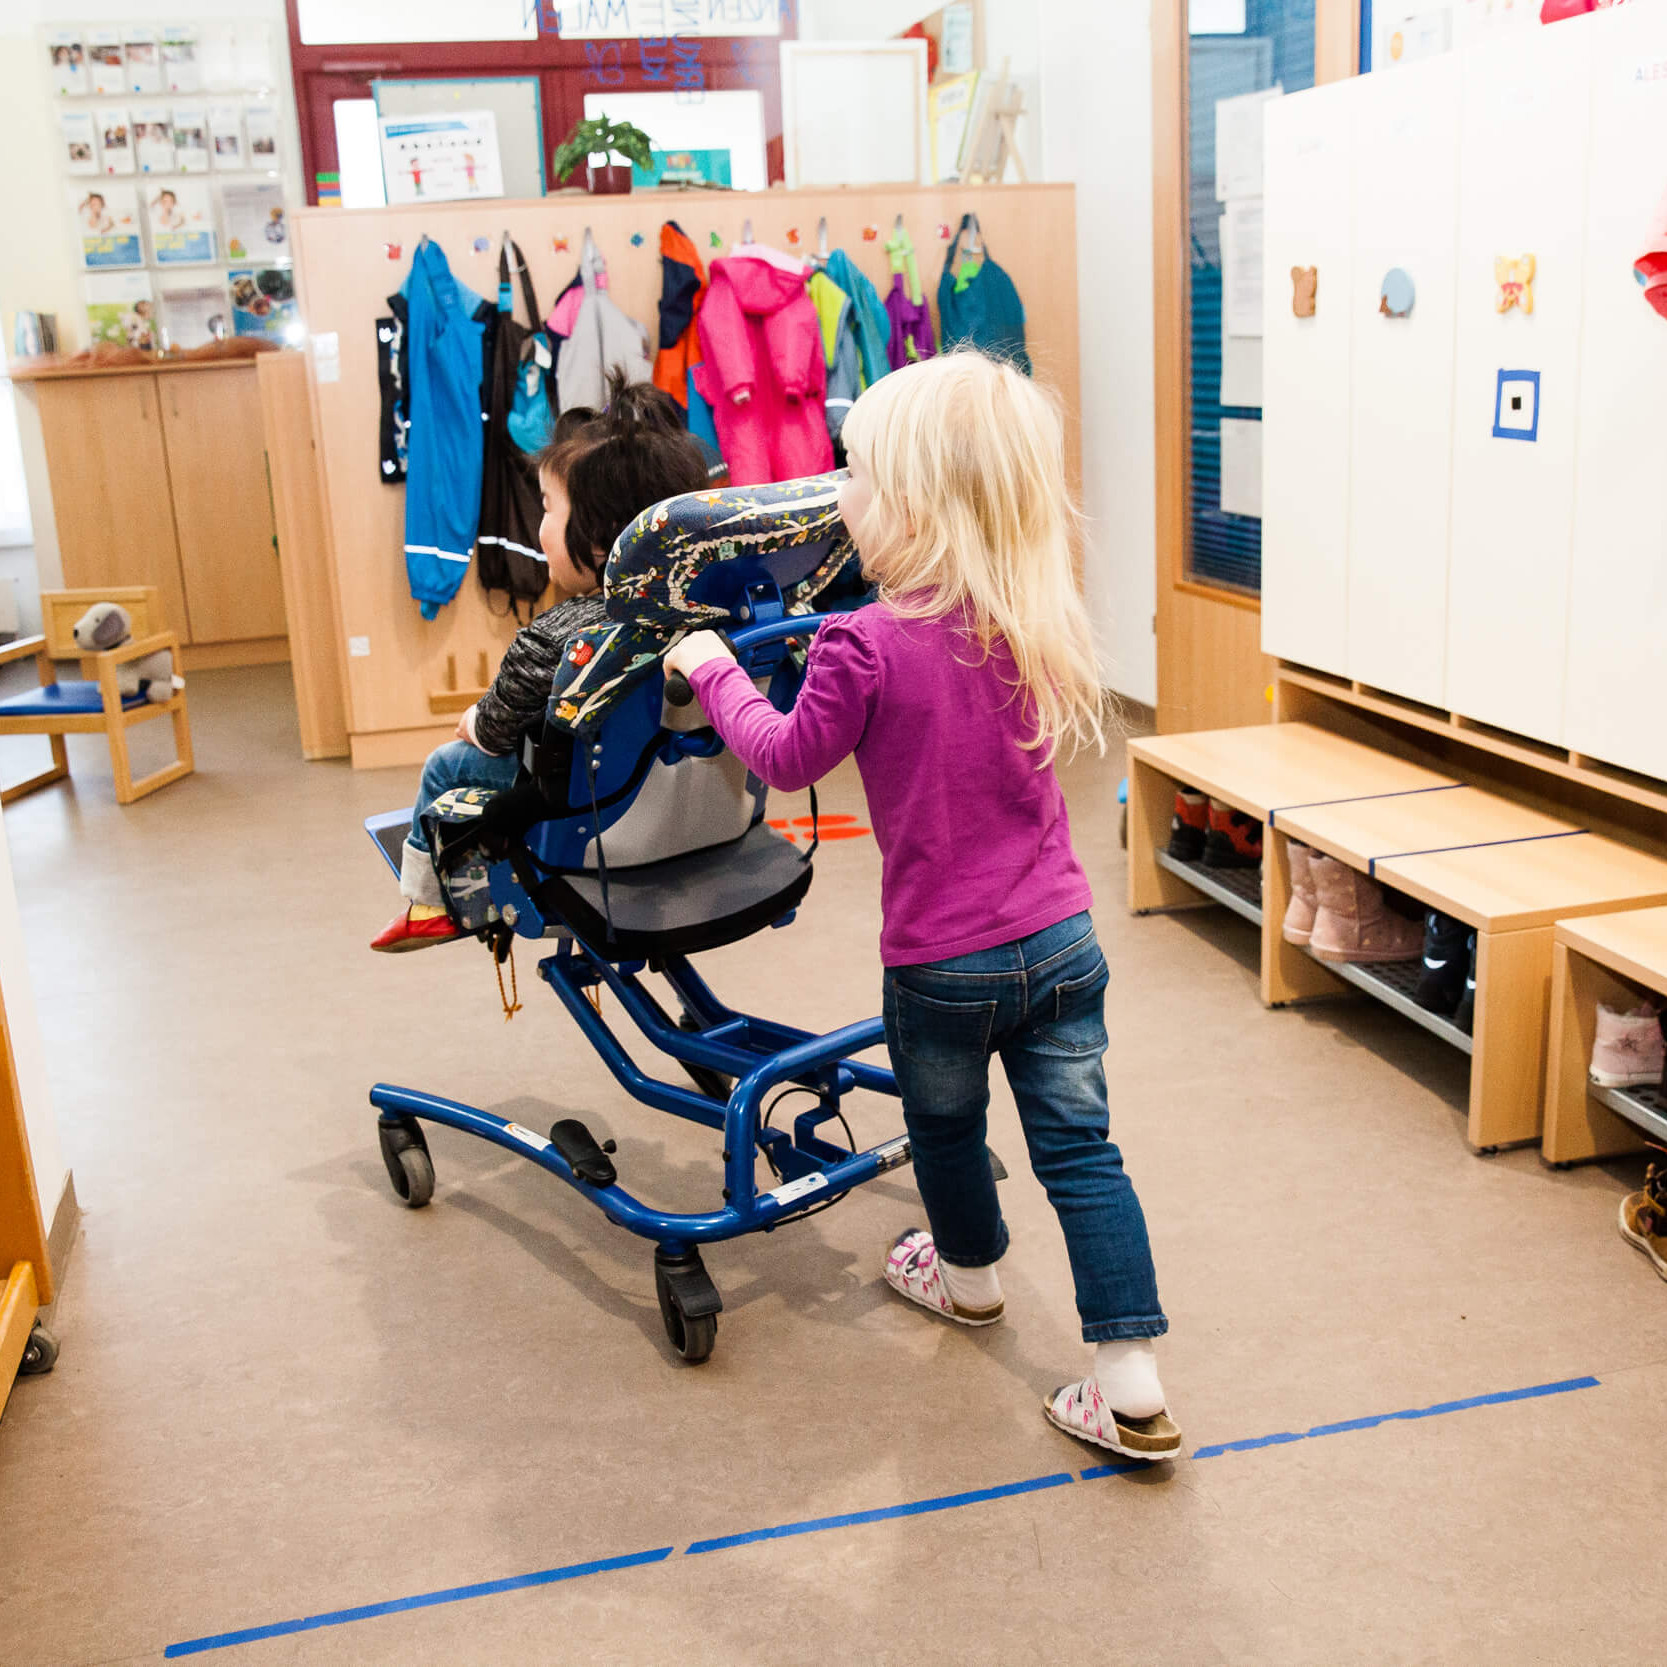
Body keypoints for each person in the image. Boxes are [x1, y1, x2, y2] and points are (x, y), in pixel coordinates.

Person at [664, 351, 1181, 1462]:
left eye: (850, 472)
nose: (834, 491)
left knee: (946, 1130)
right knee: (1083, 1153)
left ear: (904, 508)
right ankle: (1130, 1380)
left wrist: (713, 668)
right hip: (1062, 944)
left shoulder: (862, 644)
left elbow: (784, 755)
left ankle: (968, 1276)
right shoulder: (1031, 615)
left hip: (940, 966)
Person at [373, 375, 710, 952]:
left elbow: (494, 729)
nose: (539, 527)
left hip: (591, 808)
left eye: (548, 509)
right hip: (685, 807)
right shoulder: (710, 608)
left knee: (446, 764)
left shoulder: (552, 637)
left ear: (602, 540)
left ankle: (430, 902)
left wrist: (473, 722)